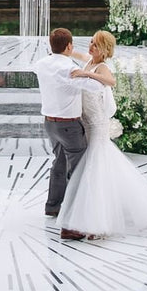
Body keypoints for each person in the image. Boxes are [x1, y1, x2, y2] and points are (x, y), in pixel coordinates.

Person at [57, 30, 147, 240]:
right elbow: (76, 56)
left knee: (95, 170)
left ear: (105, 50)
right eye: (91, 42)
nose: (91, 47)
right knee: (98, 168)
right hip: (86, 123)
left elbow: (111, 81)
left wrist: (86, 74)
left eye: (96, 45)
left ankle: (97, 222)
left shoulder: (101, 67)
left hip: (97, 125)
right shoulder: (89, 61)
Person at [33, 28, 104, 240]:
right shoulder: (69, 69)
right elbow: (95, 86)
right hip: (69, 126)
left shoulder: (41, 64)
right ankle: (71, 225)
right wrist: (89, 72)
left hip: (49, 124)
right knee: (79, 171)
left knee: (59, 163)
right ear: (70, 46)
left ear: (50, 45)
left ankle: (53, 206)